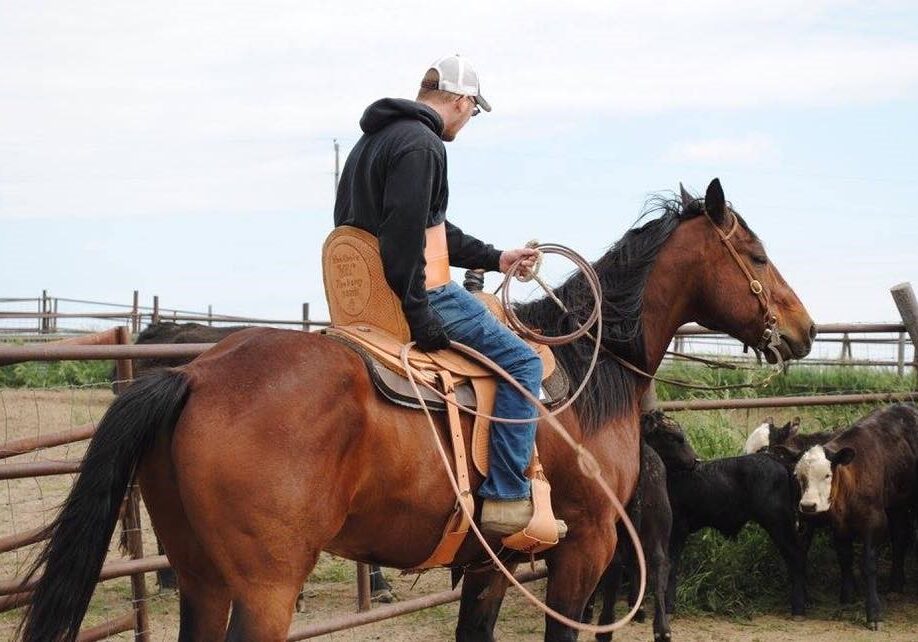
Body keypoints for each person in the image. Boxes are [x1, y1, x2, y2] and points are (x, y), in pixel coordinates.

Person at [333, 55, 551, 537]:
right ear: (461, 101)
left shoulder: (373, 142)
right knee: (524, 364)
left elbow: (430, 227)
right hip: (418, 295)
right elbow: (403, 238)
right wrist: (420, 315)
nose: (469, 121)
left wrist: (496, 257)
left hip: (363, 300)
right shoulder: (424, 144)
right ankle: (506, 498)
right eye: (473, 111)